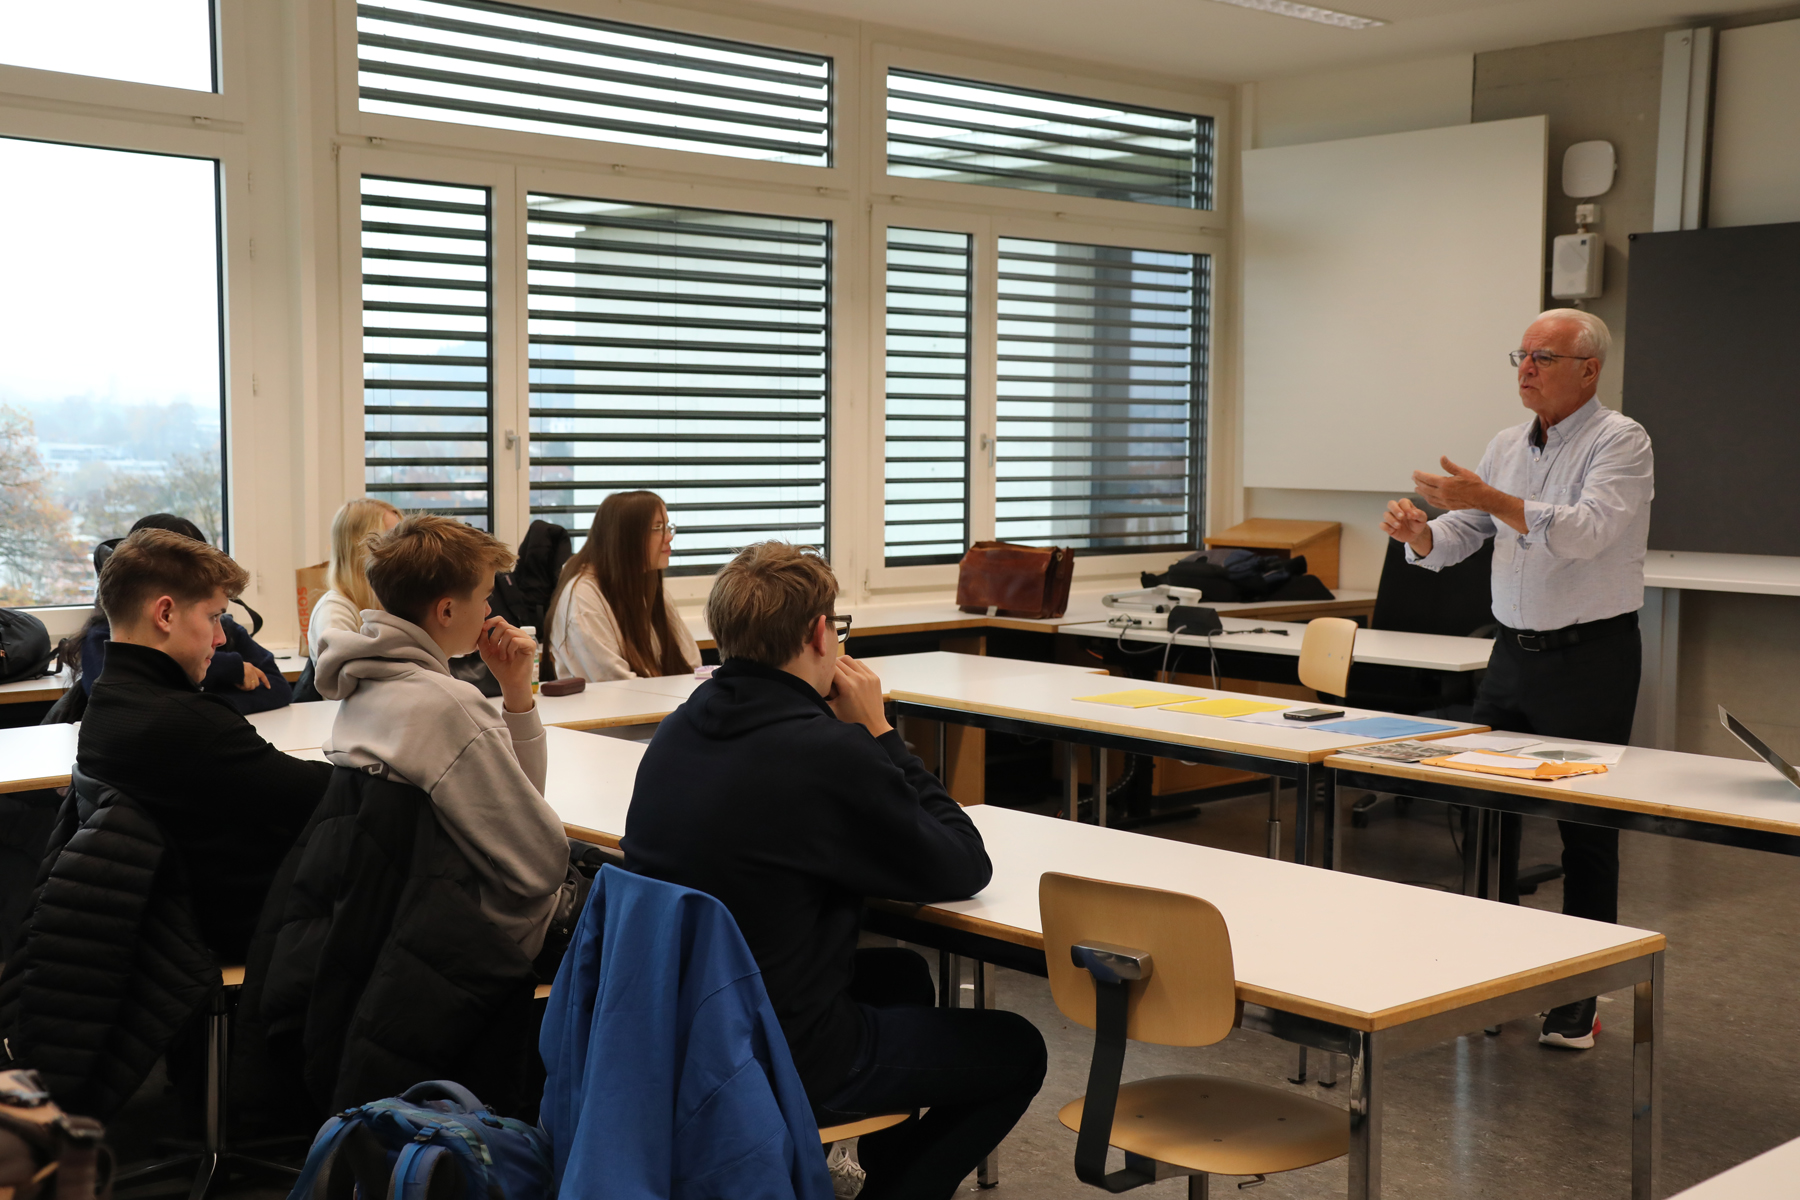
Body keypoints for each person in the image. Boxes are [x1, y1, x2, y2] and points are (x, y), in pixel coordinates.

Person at [623, 542, 1046, 1200]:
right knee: (1017, 1049)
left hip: (681, 1023)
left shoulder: (679, 727)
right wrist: (879, 730)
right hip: (780, 1047)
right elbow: (962, 863)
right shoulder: (826, 750)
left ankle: (882, 1164)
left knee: (902, 974)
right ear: (820, 634)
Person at [1381, 308, 1652, 1051]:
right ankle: (1493, 979)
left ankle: (1576, 998)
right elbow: (1469, 532)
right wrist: (1422, 533)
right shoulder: (1506, 445)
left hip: (1589, 660)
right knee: (1487, 815)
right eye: (1521, 355)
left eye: (1543, 356)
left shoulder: (1621, 440)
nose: (1526, 368)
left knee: (1584, 829)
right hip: (1511, 657)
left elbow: (1587, 531)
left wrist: (1489, 500)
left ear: (1588, 370)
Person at [313, 513, 577, 958]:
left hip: (407, 930)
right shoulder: (449, 707)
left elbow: (520, 806)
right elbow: (543, 864)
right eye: (486, 597)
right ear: (448, 611)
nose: (491, 612)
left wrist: (516, 690)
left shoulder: (362, 686)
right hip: (491, 937)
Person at [74, 528, 331, 962]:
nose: (221, 639)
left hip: (165, 925)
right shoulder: (187, 723)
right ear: (165, 614)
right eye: (214, 617)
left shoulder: (107, 701)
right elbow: (324, 797)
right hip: (240, 929)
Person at [76, 513, 292, 715]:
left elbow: (277, 687)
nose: (219, 639)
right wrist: (230, 668)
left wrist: (205, 706)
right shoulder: (108, 639)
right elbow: (132, 704)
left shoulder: (223, 629)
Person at [546, 491, 700, 682]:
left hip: (657, 698)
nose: (668, 537)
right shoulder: (582, 598)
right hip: (617, 700)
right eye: (658, 528)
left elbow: (692, 664)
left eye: (667, 527)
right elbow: (614, 682)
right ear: (625, 536)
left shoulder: (646, 586)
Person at [306, 497, 402, 659]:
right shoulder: (335, 612)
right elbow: (348, 673)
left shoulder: (391, 602)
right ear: (361, 547)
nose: (402, 549)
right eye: (391, 539)